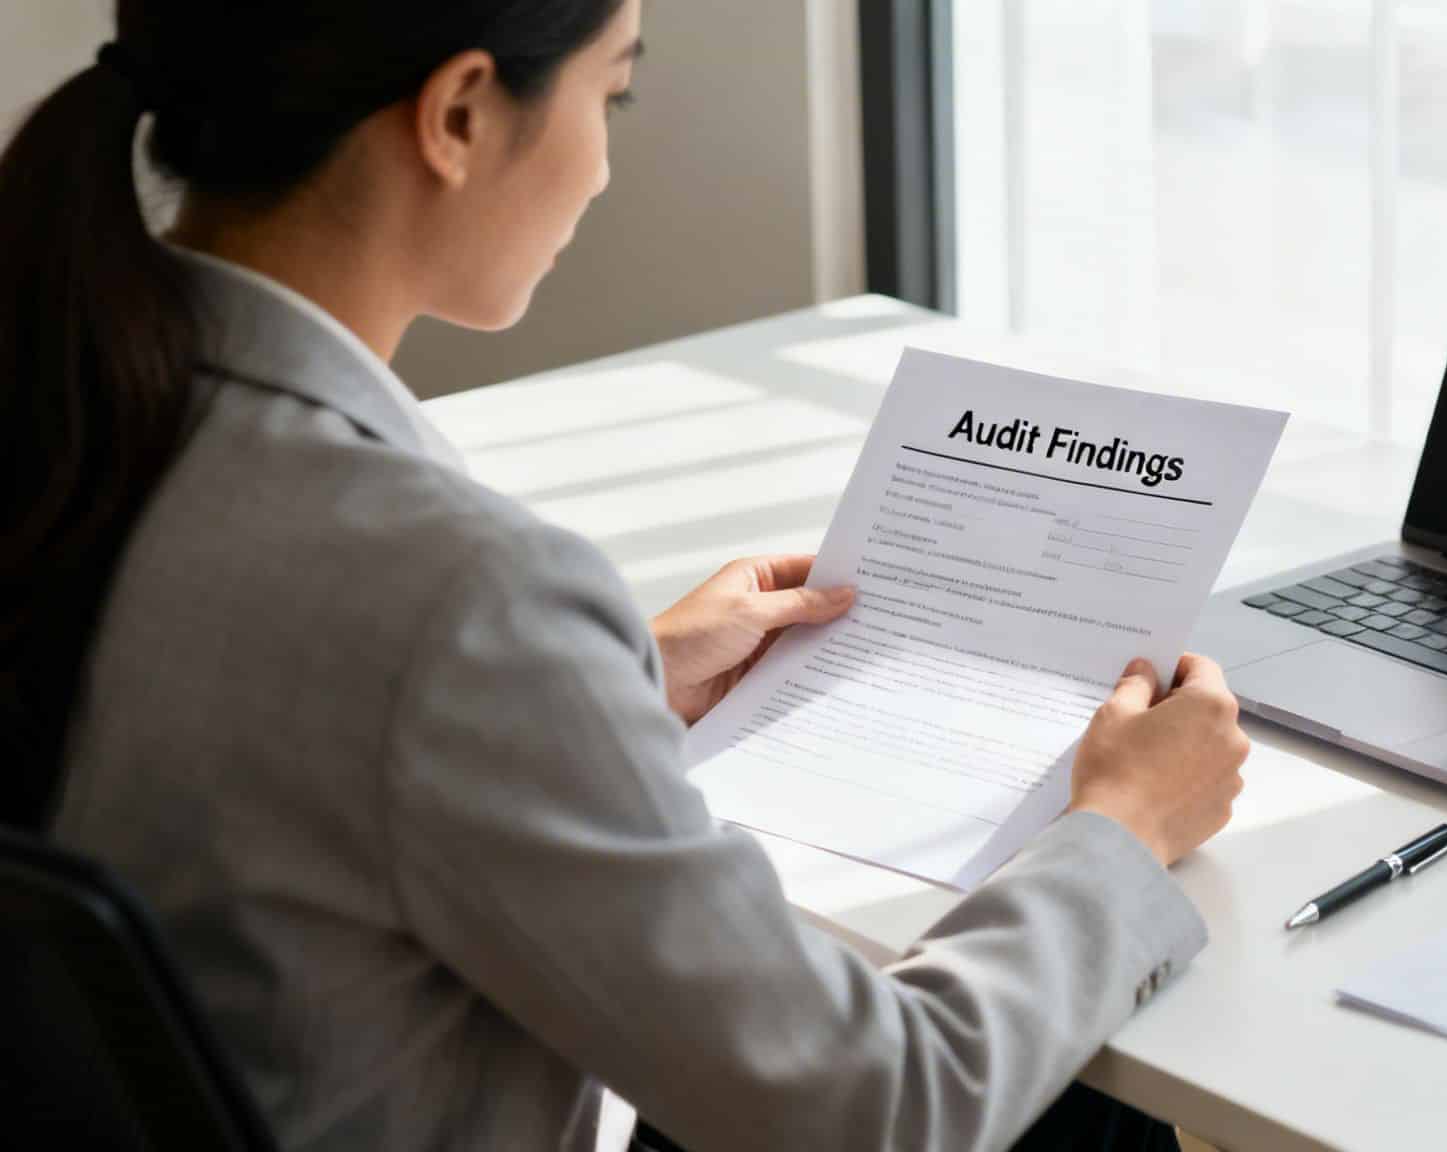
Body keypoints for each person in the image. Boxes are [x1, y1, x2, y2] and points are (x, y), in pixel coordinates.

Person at [0, 2, 1251, 1150]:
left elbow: (248, 712)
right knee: (1080, 1107)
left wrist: (616, 679)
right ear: (457, 115)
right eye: (612, 96)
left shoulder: (69, 416)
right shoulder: (457, 592)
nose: (601, 165)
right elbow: (879, 1109)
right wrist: (1121, 831)